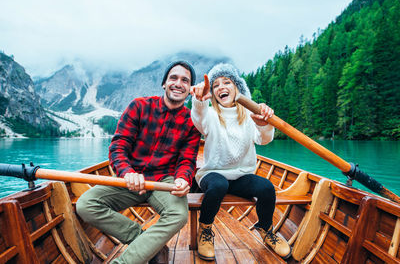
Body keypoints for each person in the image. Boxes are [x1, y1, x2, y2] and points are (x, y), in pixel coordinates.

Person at [76, 60, 201, 264]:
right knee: (86, 204)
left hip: (164, 181)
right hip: (131, 178)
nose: (178, 83)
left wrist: (182, 179)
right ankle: (147, 243)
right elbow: (118, 147)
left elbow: (187, 160)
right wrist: (127, 172)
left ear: (190, 89)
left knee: (178, 215)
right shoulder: (139, 106)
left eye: (185, 81)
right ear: (164, 83)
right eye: (174, 78)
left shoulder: (191, 121)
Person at [190, 63, 291, 260]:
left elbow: (264, 140)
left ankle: (265, 229)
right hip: (212, 174)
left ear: (238, 88)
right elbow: (199, 118)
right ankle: (205, 229)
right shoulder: (210, 115)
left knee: (267, 188)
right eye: (216, 85)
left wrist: (264, 124)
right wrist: (199, 102)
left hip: (241, 176)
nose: (221, 87)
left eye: (227, 82)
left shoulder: (250, 115)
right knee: (218, 185)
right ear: (213, 93)